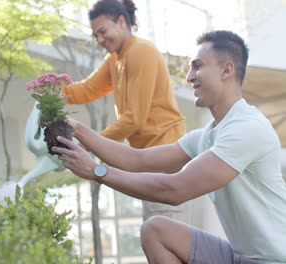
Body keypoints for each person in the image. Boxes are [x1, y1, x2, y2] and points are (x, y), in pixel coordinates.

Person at [54, 30, 286, 263]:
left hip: (274, 260)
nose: (189, 77)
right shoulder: (207, 135)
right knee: (156, 230)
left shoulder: (247, 128)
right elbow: (138, 160)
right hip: (239, 257)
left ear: (226, 70)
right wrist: (76, 129)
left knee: (158, 225)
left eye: (197, 66)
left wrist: (97, 171)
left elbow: (176, 189)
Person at [62, 0, 186, 220]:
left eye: (102, 31)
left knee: (165, 230)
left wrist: (91, 142)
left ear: (121, 22)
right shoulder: (115, 59)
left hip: (165, 156)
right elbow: (87, 90)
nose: (99, 40)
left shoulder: (141, 51)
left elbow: (134, 119)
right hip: (146, 160)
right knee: (155, 229)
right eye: (95, 36)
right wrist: (52, 91)